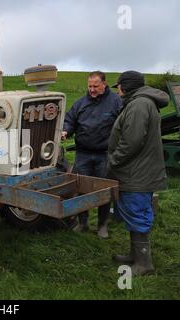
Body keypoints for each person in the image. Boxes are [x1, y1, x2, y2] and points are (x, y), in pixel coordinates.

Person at [108, 70, 168, 275]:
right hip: (138, 170)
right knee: (135, 212)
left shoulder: (139, 105)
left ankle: (144, 264)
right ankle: (136, 255)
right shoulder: (141, 102)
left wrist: (113, 161)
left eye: (119, 87)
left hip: (137, 173)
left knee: (137, 212)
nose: (117, 92)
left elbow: (131, 141)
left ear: (126, 87)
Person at [62, 71, 122, 238]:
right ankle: (83, 223)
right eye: (90, 86)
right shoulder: (81, 103)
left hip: (105, 155)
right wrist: (66, 131)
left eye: (96, 86)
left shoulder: (116, 102)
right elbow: (70, 120)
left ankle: (102, 225)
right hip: (83, 154)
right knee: (81, 188)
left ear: (104, 84)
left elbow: (124, 123)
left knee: (104, 190)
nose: (92, 89)